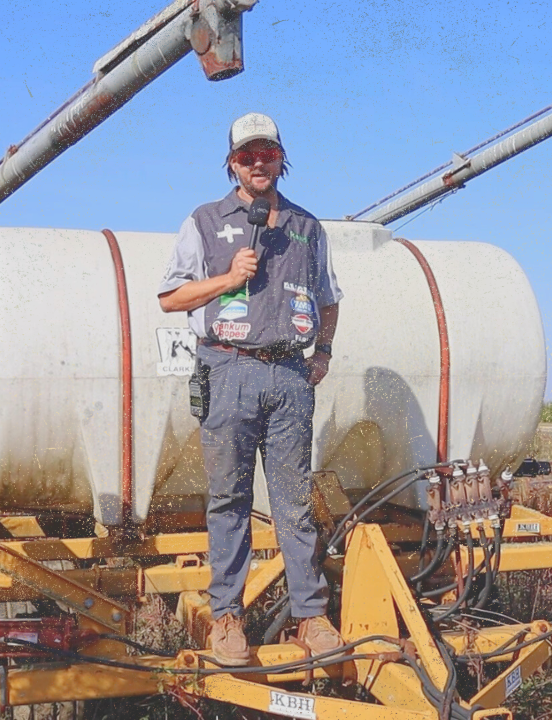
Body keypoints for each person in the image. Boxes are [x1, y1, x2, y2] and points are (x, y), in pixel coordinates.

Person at [157, 113, 343, 666]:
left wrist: (323, 353)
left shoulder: (309, 228)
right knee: (229, 502)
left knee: (293, 504)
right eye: (247, 155)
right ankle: (227, 619)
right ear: (232, 163)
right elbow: (170, 298)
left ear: (283, 158)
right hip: (228, 369)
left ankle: (312, 618)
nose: (258, 162)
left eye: (268, 153)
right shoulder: (205, 221)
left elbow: (329, 298)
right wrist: (227, 279)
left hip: (289, 376)